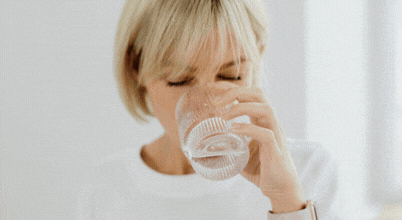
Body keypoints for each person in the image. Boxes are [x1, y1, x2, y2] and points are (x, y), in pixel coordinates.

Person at [76, 0, 340, 219]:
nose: (211, 104)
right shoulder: (106, 186)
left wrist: (286, 202)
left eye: (231, 75)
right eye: (179, 79)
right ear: (136, 68)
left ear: (256, 55)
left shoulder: (309, 171)